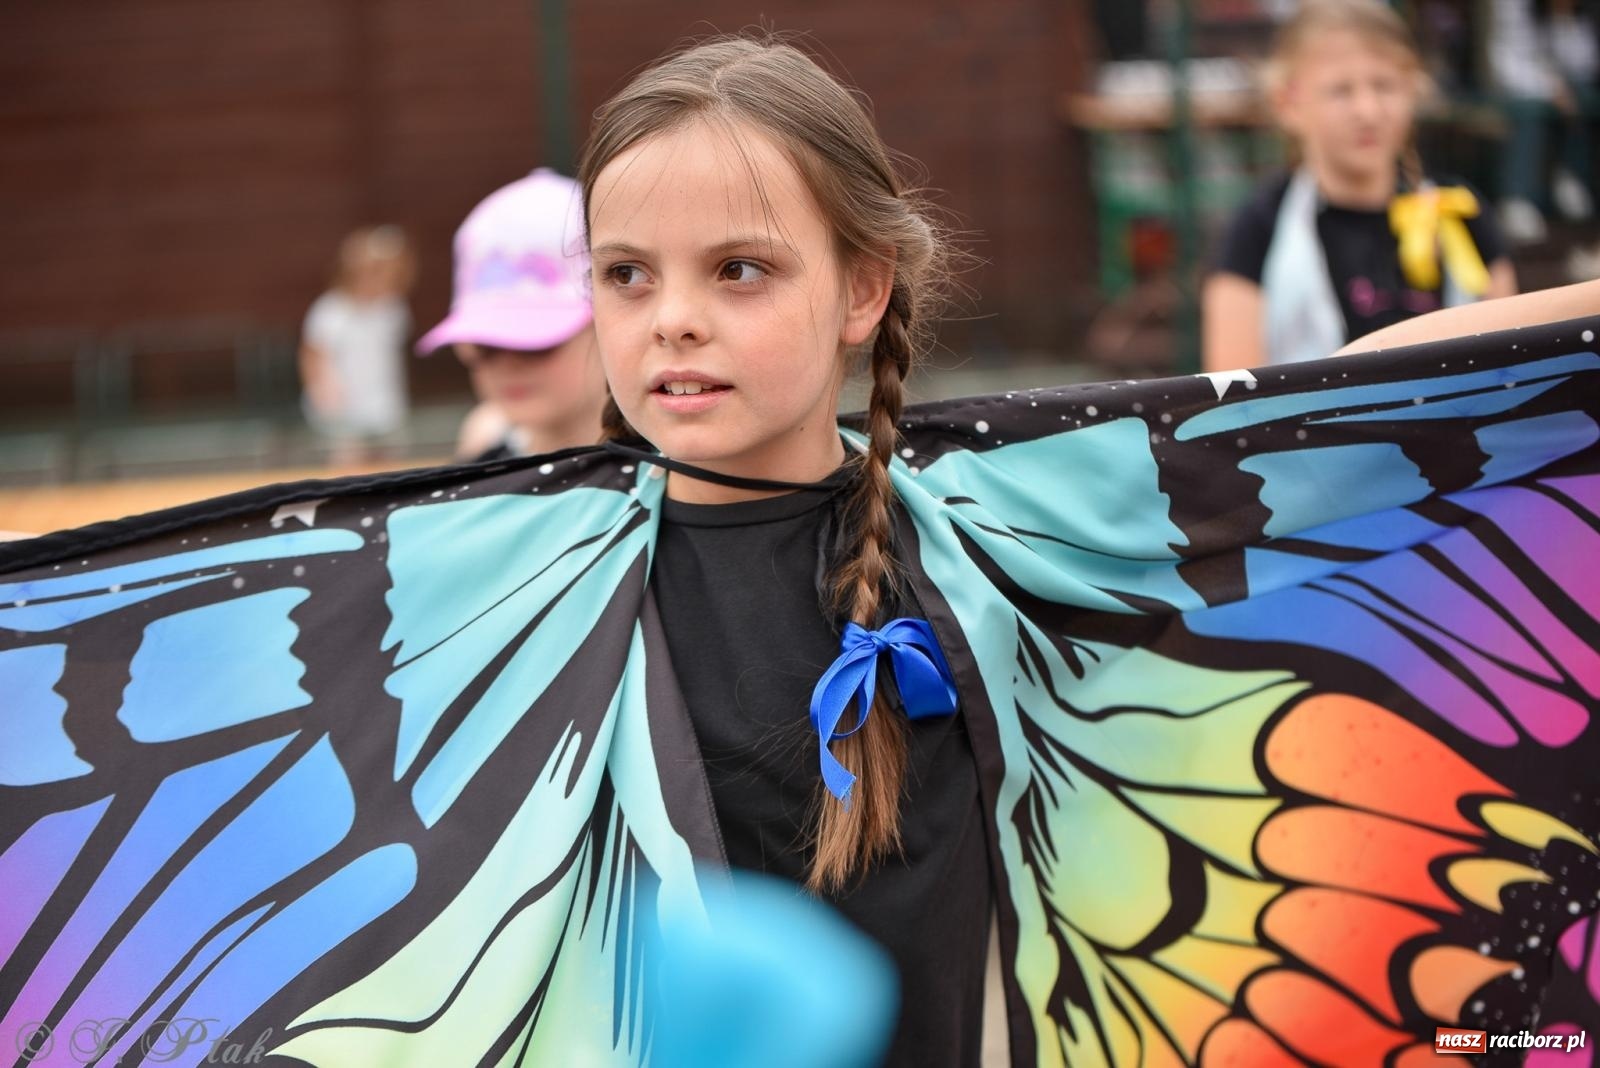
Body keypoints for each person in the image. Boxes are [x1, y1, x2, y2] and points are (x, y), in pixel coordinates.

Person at [1, 33, 1598, 1068]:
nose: (672, 316)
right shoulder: (495, 582)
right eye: (625, 275)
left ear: (863, 290)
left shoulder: (1005, 518)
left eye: (740, 268)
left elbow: (1350, 415)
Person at [1203, 0, 1517, 371]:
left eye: (1384, 86)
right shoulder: (1259, 226)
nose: (1367, 111)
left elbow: (1509, 361)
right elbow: (1229, 393)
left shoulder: (1461, 210)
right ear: (1288, 103)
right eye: (1340, 91)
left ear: (1413, 90)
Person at [415, 169, 608, 462]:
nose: (508, 365)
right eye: (485, 346)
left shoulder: (675, 476)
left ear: (608, 326)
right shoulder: (484, 465)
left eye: (535, 342)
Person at [299, 225, 417, 465]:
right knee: (349, 464)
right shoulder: (331, 310)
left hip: (384, 405)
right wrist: (321, 387)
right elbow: (311, 353)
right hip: (344, 408)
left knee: (389, 464)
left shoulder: (393, 309)